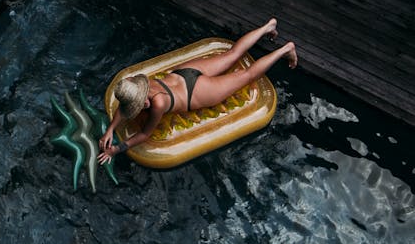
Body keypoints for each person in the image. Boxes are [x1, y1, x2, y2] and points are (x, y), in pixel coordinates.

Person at [98, 18, 297, 164]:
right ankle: (267, 27)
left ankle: (283, 51)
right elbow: (125, 105)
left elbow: (144, 135)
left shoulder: (158, 104)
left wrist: (117, 149)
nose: (144, 105)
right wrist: (110, 129)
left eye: (142, 103)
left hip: (197, 92)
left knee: (247, 76)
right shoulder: (135, 82)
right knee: (232, 54)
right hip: (183, 74)